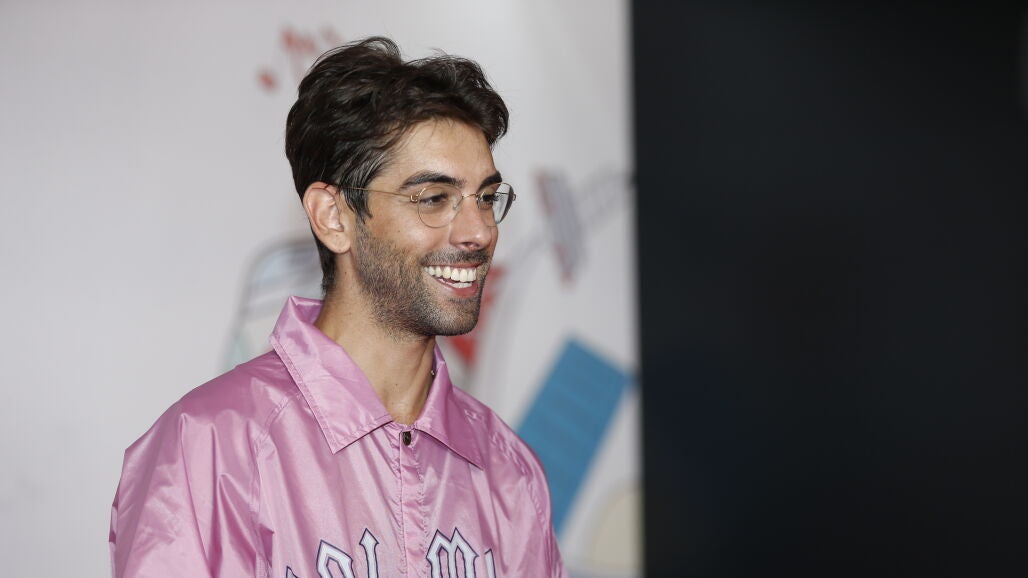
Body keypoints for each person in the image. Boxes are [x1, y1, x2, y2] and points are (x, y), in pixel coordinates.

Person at [109, 37, 567, 578]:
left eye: (486, 198)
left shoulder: (509, 470)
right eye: (434, 198)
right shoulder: (211, 447)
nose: (479, 232)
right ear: (333, 216)